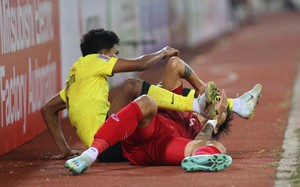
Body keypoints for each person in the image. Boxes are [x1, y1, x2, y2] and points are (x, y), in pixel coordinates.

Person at [41, 28, 220, 160]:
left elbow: (47, 110)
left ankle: (202, 107)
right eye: (114, 53)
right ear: (103, 54)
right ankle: (198, 105)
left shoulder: (76, 80)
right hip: (109, 141)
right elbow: (141, 65)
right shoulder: (94, 61)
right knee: (132, 86)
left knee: (142, 96)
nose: (116, 57)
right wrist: (162, 53)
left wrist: (64, 149)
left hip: (100, 145)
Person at [64, 57, 262, 174]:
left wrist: (212, 120)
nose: (216, 102)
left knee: (217, 147)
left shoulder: (200, 131)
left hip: (158, 147)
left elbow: (203, 138)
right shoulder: (184, 107)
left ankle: (200, 161)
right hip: (143, 129)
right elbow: (174, 64)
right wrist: (201, 88)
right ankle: (88, 155)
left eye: (222, 108)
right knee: (147, 101)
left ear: (217, 124)